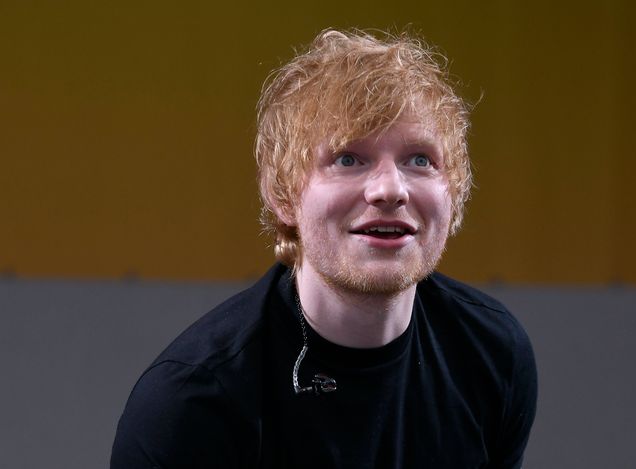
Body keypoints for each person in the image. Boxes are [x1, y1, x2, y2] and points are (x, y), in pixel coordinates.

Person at [111, 28, 537, 469]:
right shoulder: (192, 405)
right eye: (348, 159)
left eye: (420, 160)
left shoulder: (491, 354)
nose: (391, 189)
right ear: (282, 194)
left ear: (454, 192)